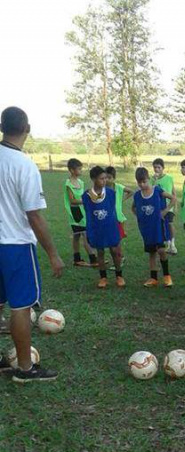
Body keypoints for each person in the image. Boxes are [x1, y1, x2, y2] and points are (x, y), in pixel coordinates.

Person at [0, 106, 63, 383]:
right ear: (27, 128)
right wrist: (53, 254)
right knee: (21, 307)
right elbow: (34, 215)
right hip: (15, 246)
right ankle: (25, 369)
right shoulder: (23, 165)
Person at [132, 167, 177, 288]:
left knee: (161, 250)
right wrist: (140, 217)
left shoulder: (157, 191)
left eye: (144, 181)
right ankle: (153, 278)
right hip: (146, 229)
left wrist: (165, 211)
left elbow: (173, 198)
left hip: (159, 227)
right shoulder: (137, 195)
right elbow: (133, 208)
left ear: (149, 179)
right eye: (139, 182)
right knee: (151, 253)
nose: (142, 184)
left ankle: (167, 276)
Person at [82, 166, 124, 289]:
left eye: (106, 178)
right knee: (100, 253)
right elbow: (88, 213)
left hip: (110, 227)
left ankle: (119, 275)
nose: (104, 181)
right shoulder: (87, 196)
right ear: (93, 179)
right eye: (101, 178)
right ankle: (103, 277)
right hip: (97, 228)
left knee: (115, 252)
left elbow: (112, 211)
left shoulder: (111, 193)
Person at [64, 158, 97, 267]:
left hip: (82, 211)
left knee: (76, 236)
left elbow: (82, 197)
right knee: (84, 234)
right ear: (72, 170)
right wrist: (85, 200)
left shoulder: (81, 182)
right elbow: (72, 200)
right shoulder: (68, 184)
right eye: (79, 169)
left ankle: (77, 259)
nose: (81, 170)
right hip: (75, 212)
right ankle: (93, 259)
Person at [152, 158, 177, 255]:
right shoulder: (152, 179)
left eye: (159, 167)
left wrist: (175, 205)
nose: (156, 169)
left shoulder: (169, 178)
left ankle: (173, 244)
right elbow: (151, 190)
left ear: (163, 168)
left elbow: (173, 191)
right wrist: (155, 180)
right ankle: (167, 243)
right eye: (155, 167)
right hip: (158, 207)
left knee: (170, 223)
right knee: (162, 225)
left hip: (168, 205)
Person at [105, 166, 133, 244]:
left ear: (114, 178)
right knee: (111, 236)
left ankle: (119, 254)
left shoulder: (118, 187)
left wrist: (121, 200)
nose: (106, 180)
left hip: (118, 217)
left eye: (109, 177)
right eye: (105, 177)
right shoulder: (102, 188)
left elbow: (131, 191)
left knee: (118, 237)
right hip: (108, 217)